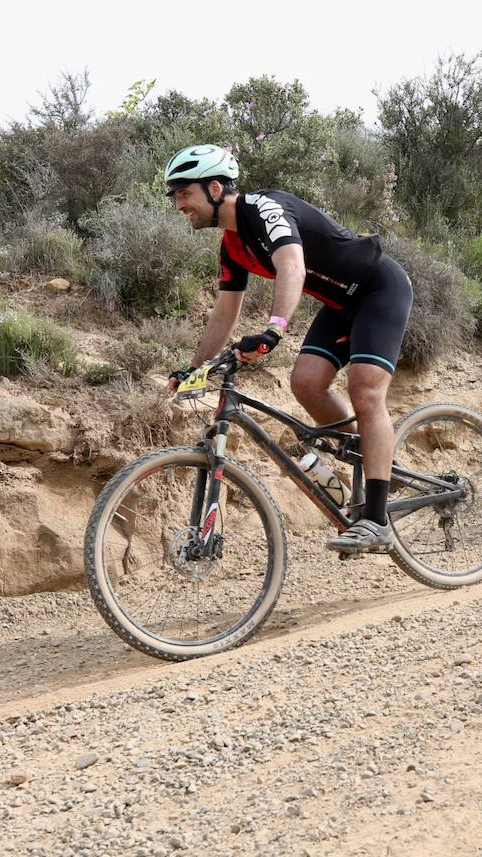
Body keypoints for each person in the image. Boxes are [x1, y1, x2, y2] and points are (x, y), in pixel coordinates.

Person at [162, 144, 414, 553]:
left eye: (184, 193)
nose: (179, 205)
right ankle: (378, 460)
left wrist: (274, 329)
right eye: (175, 197)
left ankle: (376, 520)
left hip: (378, 288)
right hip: (340, 304)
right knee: (306, 384)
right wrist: (195, 369)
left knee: (365, 392)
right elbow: (225, 312)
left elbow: (292, 265)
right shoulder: (232, 245)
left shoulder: (264, 208)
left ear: (213, 188)